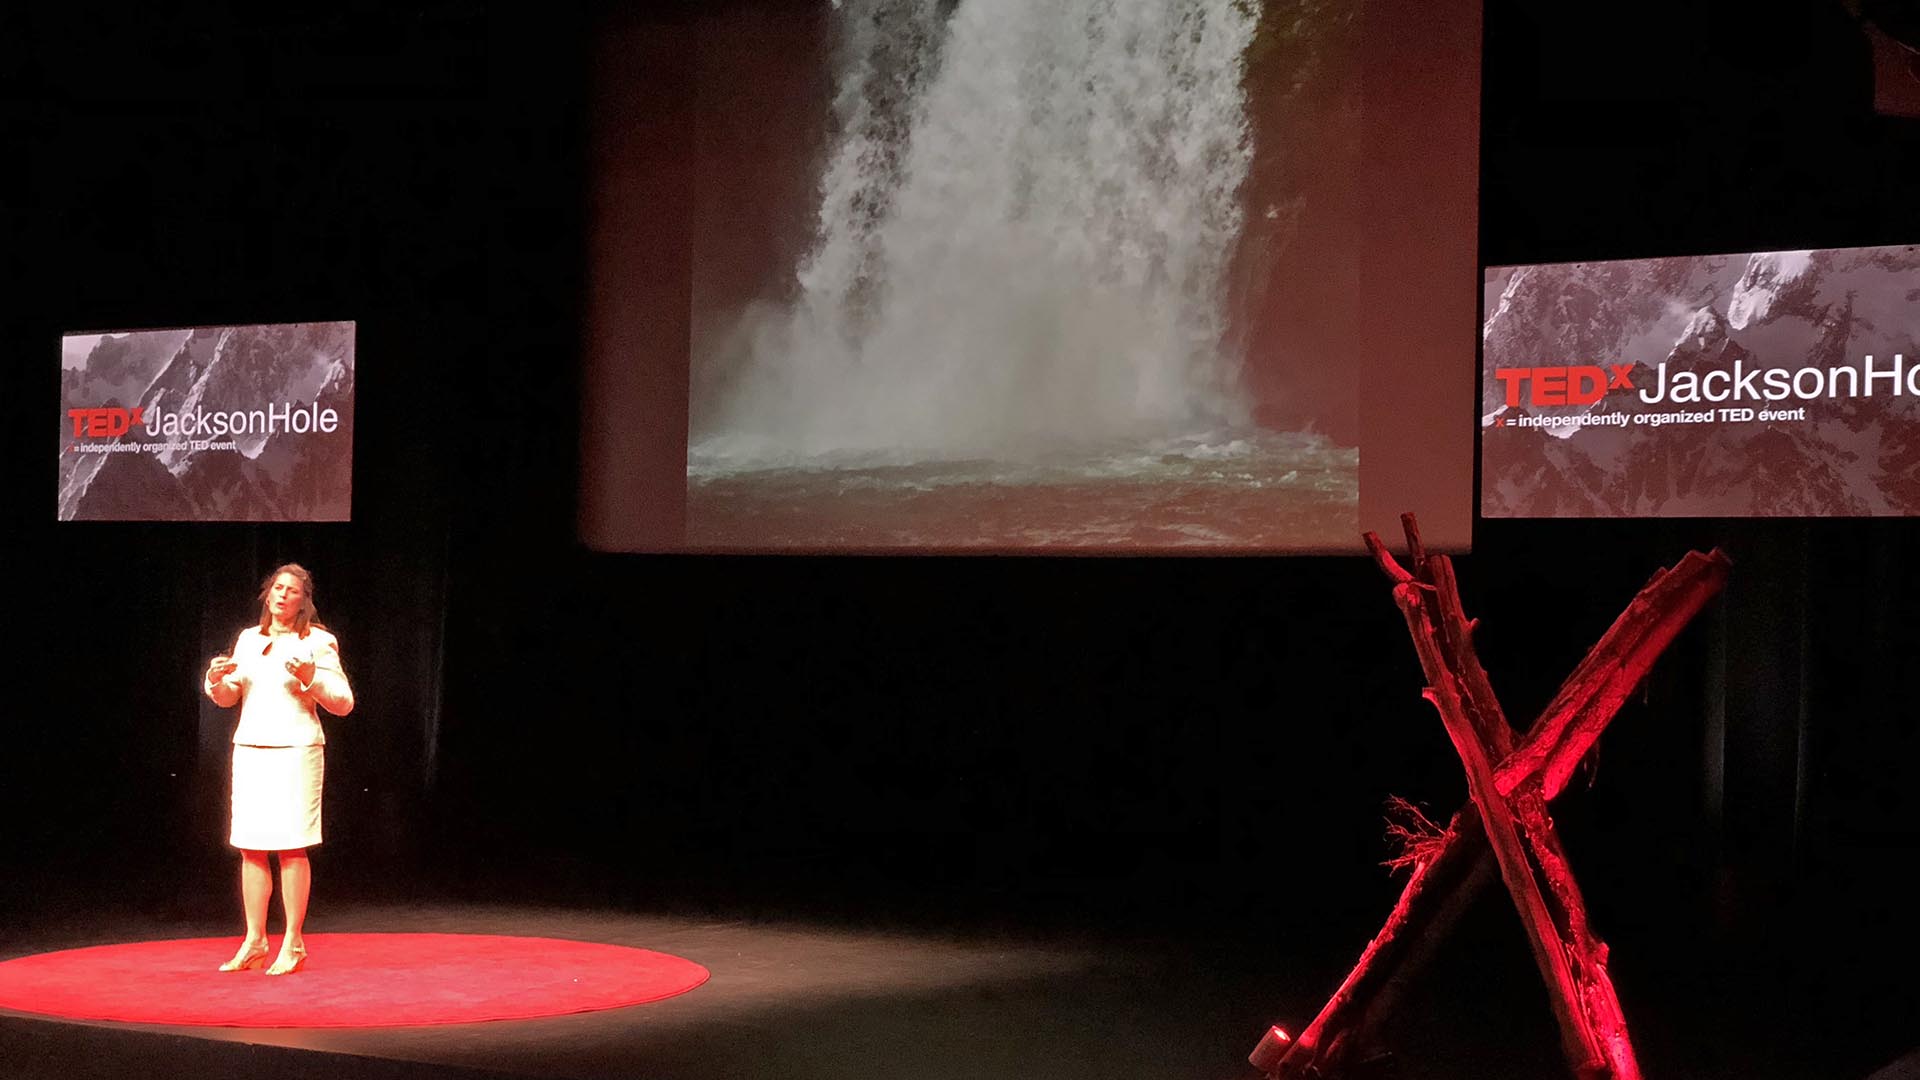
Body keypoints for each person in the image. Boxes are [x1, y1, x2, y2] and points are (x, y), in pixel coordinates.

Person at [202, 563, 354, 975]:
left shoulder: (318, 642)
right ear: (267, 595)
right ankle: (254, 940)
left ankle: (293, 942)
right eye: (277, 588)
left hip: (296, 751)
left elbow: (343, 702)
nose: (283, 595)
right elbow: (231, 695)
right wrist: (217, 681)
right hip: (251, 749)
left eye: (292, 591)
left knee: (290, 846)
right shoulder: (249, 640)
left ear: (305, 601)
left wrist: (311, 678)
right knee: (251, 846)